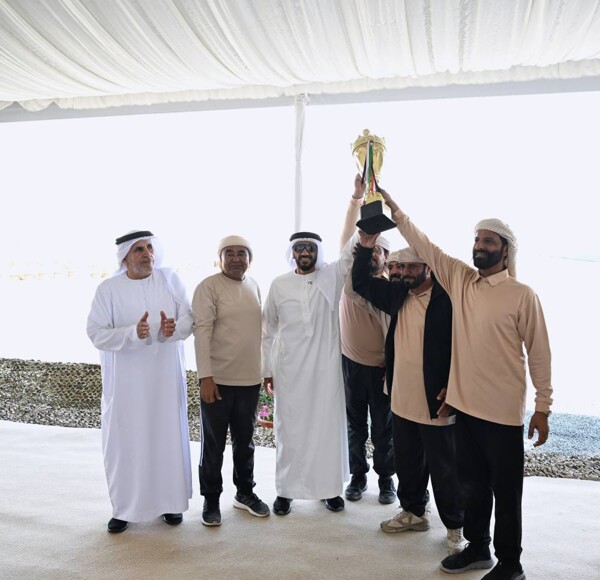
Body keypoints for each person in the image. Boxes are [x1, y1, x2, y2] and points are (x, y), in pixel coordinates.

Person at [376, 190, 553, 580]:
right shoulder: (460, 281)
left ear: (505, 251)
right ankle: (478, 549)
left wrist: (543, 406)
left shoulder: (522, 295)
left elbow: (540, 353)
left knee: (506, 493)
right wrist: (396, 211)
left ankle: (510, 563)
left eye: (488, 241)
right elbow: (427, 246)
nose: (479, 247)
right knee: (472, 486)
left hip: (503, 413)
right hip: (463, 407)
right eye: (476, 240)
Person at [352, 243, 465, 555]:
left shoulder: (449, 300)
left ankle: (456, 526)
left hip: (437, 401)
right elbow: (359, 282)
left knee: (445, 468)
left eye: (410, 267)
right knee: (407, 462)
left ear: (427, 268)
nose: (401, 273)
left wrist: (455, 388)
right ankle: (414, 512)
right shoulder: (397, 294)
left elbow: (466, 347)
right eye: (397, 268)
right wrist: (365, 245)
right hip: (400, 397)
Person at [87, 230, 193, 533]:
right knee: (126, 440)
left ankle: (170, 503)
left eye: (149, 248)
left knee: (166, 436)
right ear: (125, 257)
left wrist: (174, 328)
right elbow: (95, 332)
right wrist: (134, 333)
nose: (147, 254)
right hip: (127, 385)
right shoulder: (108, 289)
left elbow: (189, 318)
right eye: (138, 250)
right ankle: (124, 508)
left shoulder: (169, 280)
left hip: (164, 380)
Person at [262, 209, 359, 515]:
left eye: (311, 248)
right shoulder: (278, 284)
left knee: (325, 429)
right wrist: (267, 370)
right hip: (289, 370)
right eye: (300, 248)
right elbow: (268, 330)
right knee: (289, 431)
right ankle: (286, 491)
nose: (305, 252)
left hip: (325, 370)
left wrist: (359, 203)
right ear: (292, 253)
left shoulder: (330, 277)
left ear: (318, 252)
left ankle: (329, 491)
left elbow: (350, 251)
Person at [192, 235, 269, 526]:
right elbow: (202, 333)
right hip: (218, 381)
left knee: (245, 442)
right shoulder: (208, 287)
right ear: (220, 258)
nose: (236, 258)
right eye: (230, 253)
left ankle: (245, 493)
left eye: (242, 253)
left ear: (250, 258)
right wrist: (205, 378)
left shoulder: (254, 285)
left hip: (249, 379)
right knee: (214, 444)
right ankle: (211, 500)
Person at [339, 174, 395, 504]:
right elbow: (349, 235)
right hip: (350, 365)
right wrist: (357, 198)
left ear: (386, 258)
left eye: (379, 252)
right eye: (369, 249)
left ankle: (386, 480)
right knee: (355, 426)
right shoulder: (350, 277)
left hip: (383, 368)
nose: (373, 254)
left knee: (384, 430)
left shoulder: (390, 291)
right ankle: (357, 478)